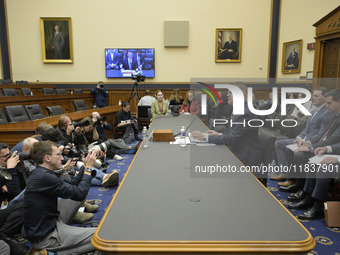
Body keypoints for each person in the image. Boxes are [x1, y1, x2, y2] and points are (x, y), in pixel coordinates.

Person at [23, 141, 97, 254]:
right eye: (58, 154)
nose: (62, 158)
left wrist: (85, 165)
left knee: (83, 190)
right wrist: (88, 169)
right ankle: (50, 253)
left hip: (51, 221)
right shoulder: (43, 177)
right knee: (101, 236)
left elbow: (73, 185)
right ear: (47, 158)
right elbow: (79, 193)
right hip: (46, 237)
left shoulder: (42, 172)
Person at [191, 82, 261, 167]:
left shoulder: (245, 113)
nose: (227, 95)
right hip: (238, 149)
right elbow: (233, 133)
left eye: (230, 92)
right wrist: (219, 134)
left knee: (205, 160)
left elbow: (232, 139)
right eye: (228, 92)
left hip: (244, 157)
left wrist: (205, 137)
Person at [272, 87, 332, 183]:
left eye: (316, 96)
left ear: (325, 98)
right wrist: (299, 137)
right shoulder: (314, 111)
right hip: (303, 140)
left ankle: (293, 179)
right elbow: (306, 129)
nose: (313, 98)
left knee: (293, 151)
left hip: (312, 143)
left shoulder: (327, 113)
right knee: (279, 144)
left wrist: (306, 142)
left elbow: (321, 134)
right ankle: (285, 173)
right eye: (312, 95)